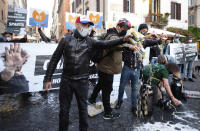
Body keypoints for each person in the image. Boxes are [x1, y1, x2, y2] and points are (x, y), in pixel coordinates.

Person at [43, 16, 132, 131]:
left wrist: (122, 39)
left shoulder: (90, 41)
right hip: (66, 81)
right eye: (84, 25)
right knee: (64, 111)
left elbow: (105, 44)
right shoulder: (66, 40)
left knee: (83, 110)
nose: (87, 28)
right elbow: (54, 59)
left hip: (82, 81)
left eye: (88, 26)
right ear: (77, 25)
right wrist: (47, 78)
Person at [88, 18, 136, 120]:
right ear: (118, 26)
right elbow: (114, 45)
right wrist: (128, 46)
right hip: (107, 67)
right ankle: (107, 113)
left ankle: (92, 99)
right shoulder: (113, 36)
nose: (125, 30)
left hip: (104, 66)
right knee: (107, 90)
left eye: (127, 28)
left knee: (101, 83)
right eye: (124, 28)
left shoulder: (112, 34)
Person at [115, 23, 163, 114]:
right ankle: (119, 101)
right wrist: (130, 47)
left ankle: (133, 107)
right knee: (121, 86)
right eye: (143, 30)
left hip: (137, 69)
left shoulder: (145, 41)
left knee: (134, 88)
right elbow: (122, 44)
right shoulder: (131, 37)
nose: (145, 32)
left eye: (146, 31)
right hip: (127, 67)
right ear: (139, 30)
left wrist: (158, 38)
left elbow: (158, 42)